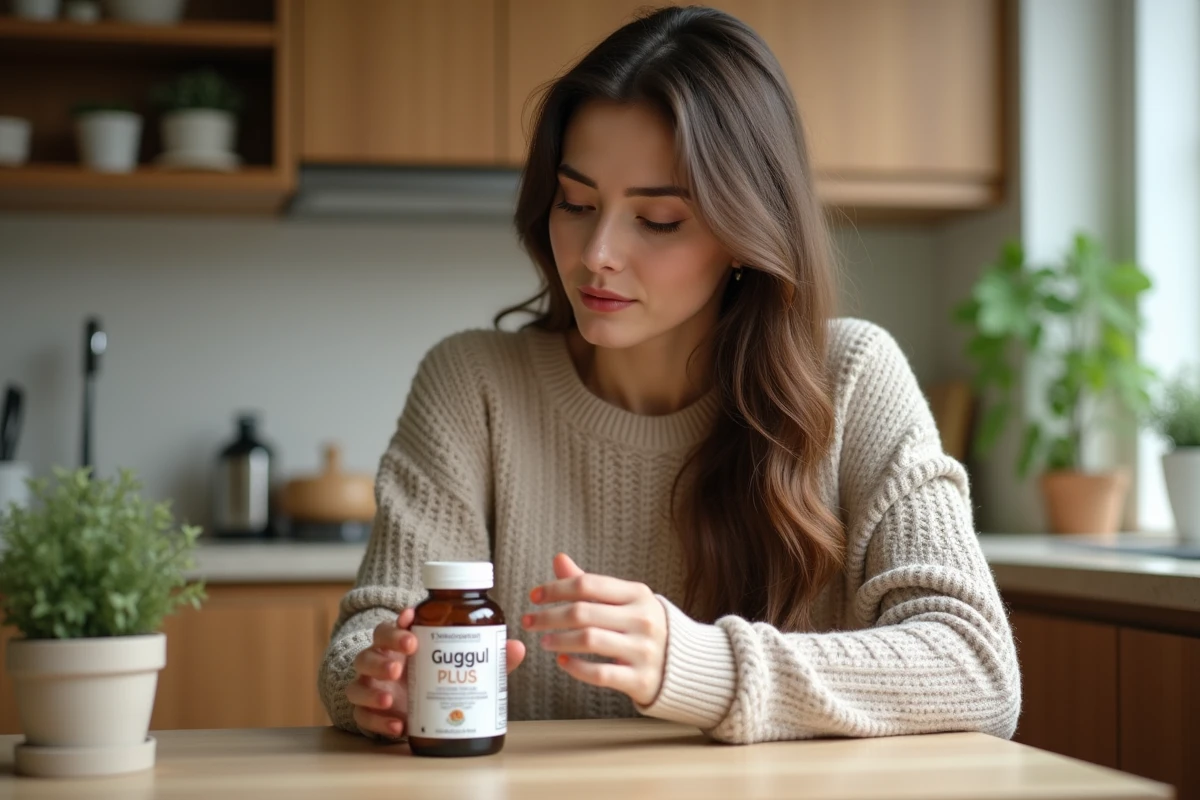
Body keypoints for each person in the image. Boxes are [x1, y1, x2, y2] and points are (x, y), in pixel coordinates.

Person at [318, 5, 1020, 745]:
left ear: (746, 232)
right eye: (576, 203)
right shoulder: (472, 384)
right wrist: (374, 681)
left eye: (657, 219)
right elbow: (369, 631)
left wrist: (694, 663)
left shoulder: (852, 378)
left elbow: (978, 670)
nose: (597, 253)